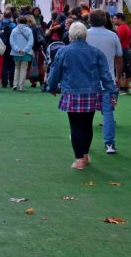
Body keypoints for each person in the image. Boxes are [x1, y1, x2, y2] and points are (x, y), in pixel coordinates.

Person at [46, 22, 116, 170]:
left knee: (75, 126)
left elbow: (55, 71)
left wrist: (51, 87)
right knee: (86, 125)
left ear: (70, 35)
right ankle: (84, 155)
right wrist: (112, 92)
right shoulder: (96, 52)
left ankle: (79, 159)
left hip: (72, 92)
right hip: (91, 92)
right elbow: (106, 75)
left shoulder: (63, 51)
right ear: (85, 35)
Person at [86, 10, 122, 155]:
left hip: (88, 81)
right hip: (108, 80)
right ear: (105, 20)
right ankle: (110, 144)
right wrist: (118, 76)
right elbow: (119, 58)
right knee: (108, 113)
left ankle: (83, 142)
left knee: (86, 114)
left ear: (89, 20)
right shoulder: (113, 35)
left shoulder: (85, 34)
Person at [9, 16, 35, 91]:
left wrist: (17, 49)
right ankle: (21, 86)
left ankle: (15, 85)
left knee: (17, 68)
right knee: (23, 69)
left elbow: (11, 41)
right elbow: (31, 42)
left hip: (15, 52)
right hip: (26, 53)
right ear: (26, 22)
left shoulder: (14, 30)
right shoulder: (29, 30)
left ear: (18, 22)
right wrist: (25, 50)